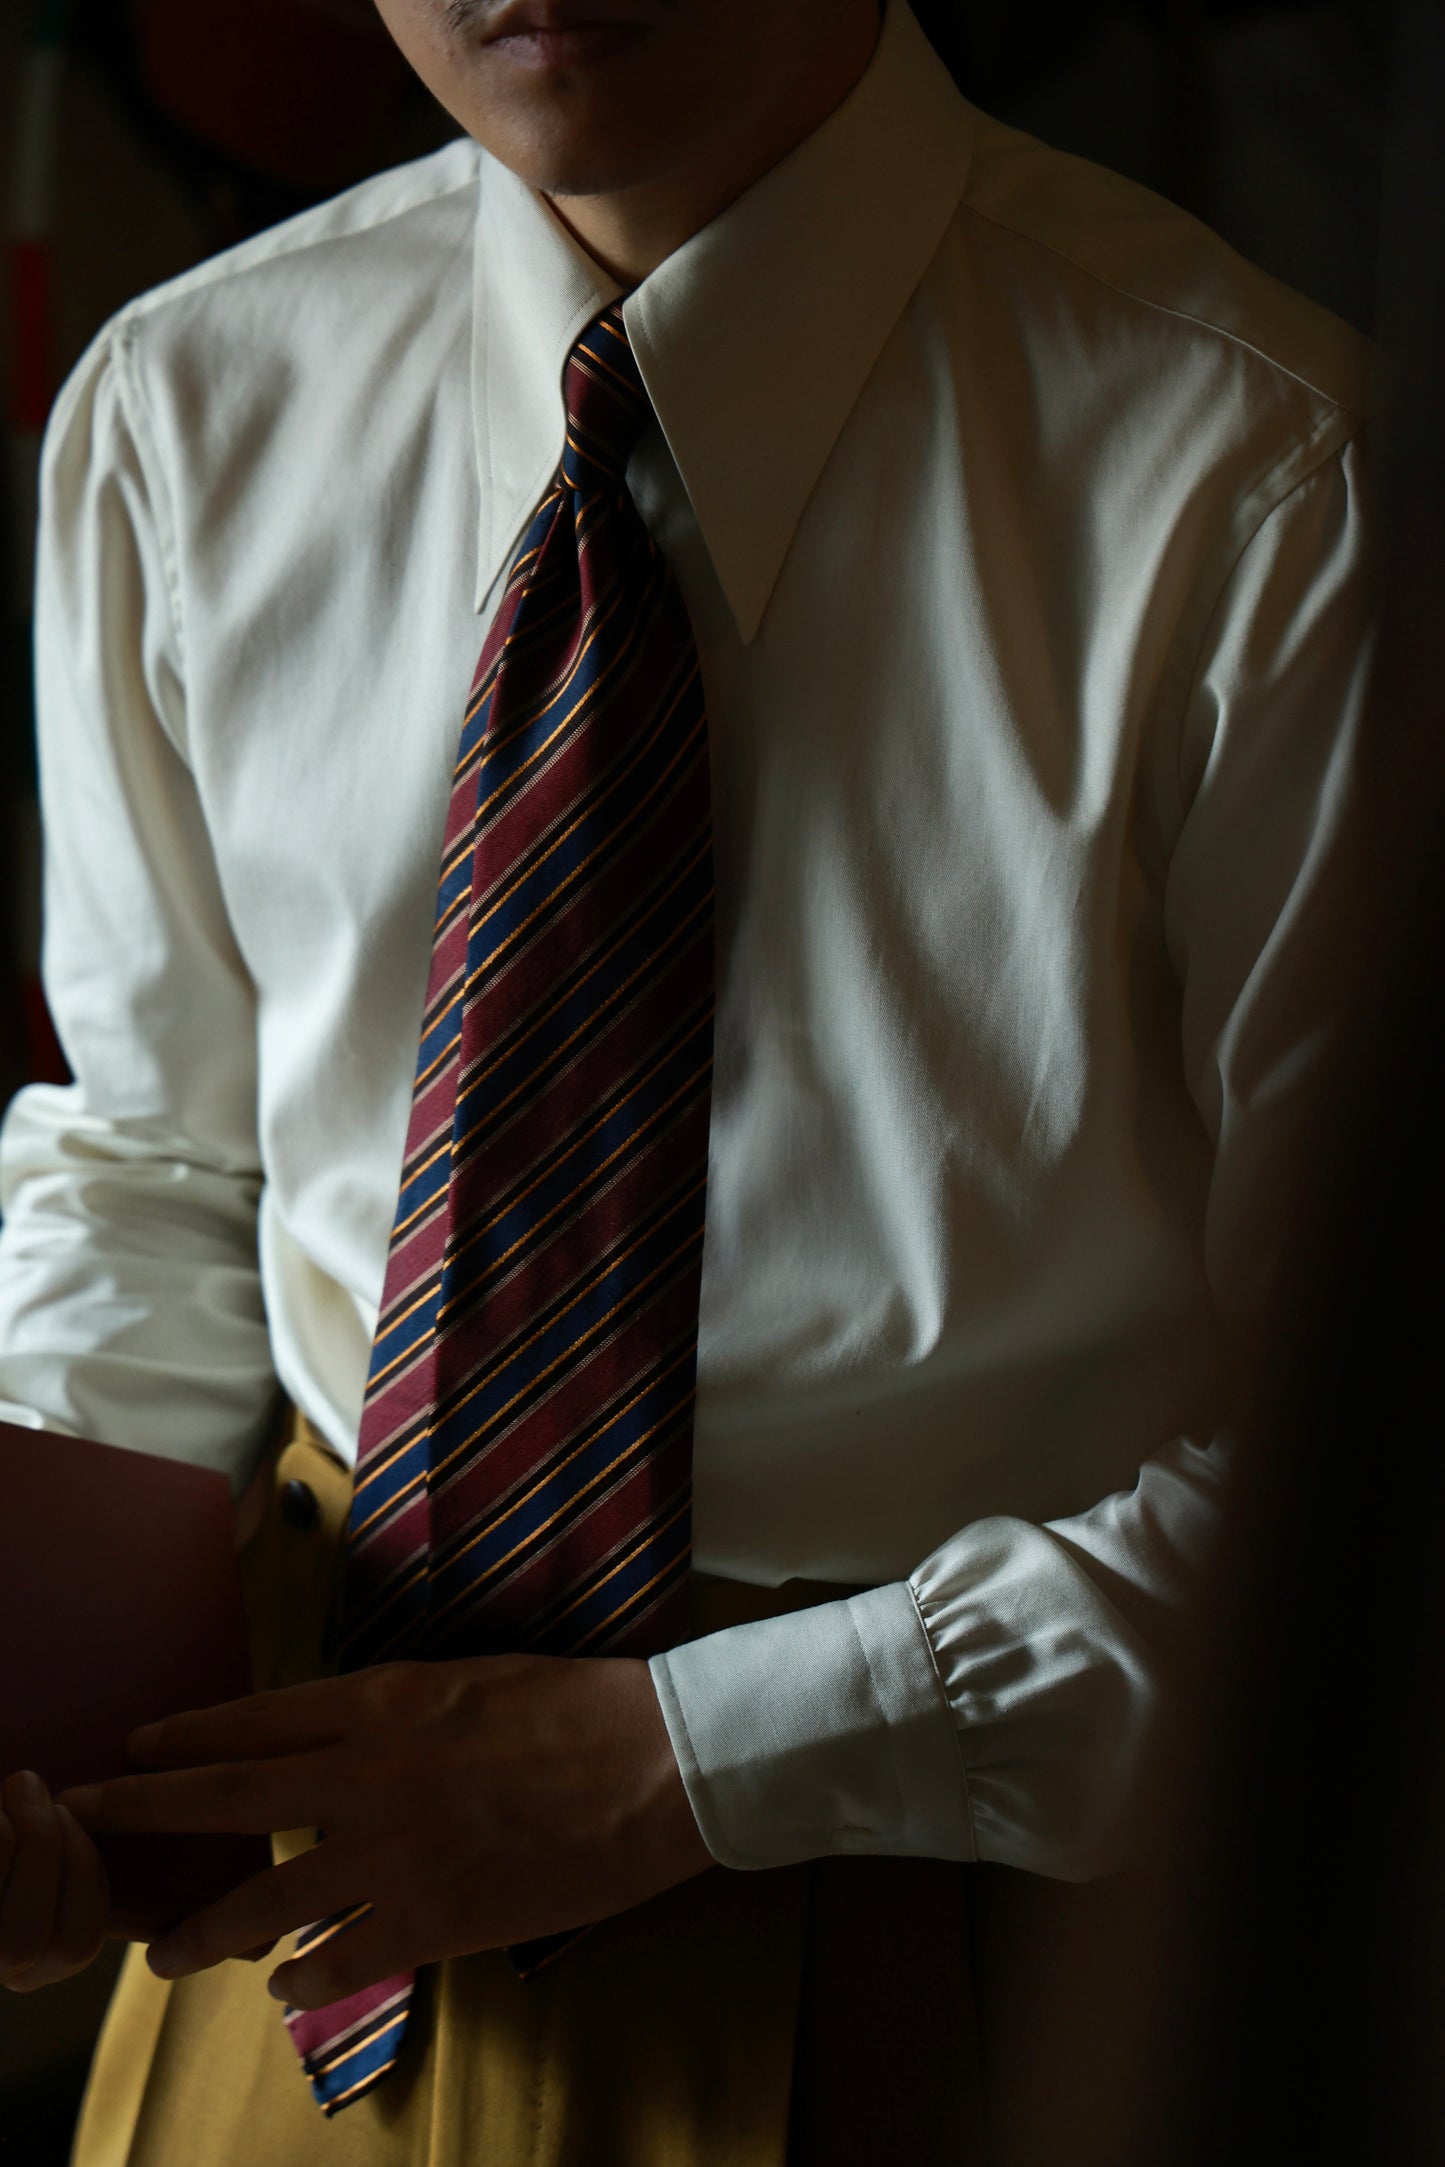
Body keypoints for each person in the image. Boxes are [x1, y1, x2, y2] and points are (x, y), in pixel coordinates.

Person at [0, 0, 1373, 2160]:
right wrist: (49, 1732)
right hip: (301, 1906)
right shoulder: (186, 412)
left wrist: (703, 1757)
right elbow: (160, 1162)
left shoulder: (1275, 486)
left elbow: (1374, 1501)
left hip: (973, 1924)